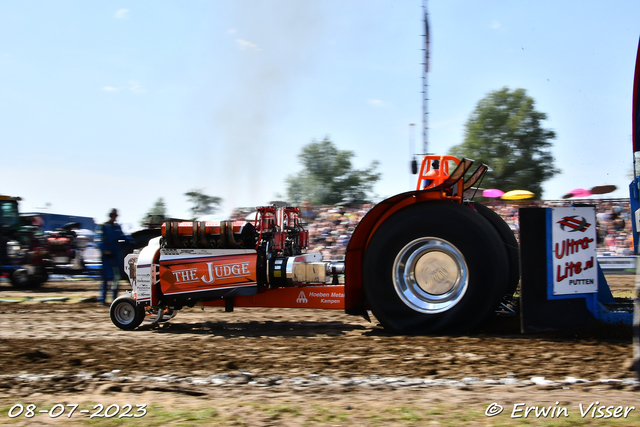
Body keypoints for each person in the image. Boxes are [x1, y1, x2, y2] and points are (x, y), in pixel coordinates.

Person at [96, 209, 132, 306]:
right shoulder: (103, 226)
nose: (115, 217)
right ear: (111, 215)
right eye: (114, 215)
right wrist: (105, 250)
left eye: (116, 215)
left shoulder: (117, 227)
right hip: (107, 257)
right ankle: (102, 300)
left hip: (116, 255)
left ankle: (114, 299)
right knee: (106, 278)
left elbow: (123, 237)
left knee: (116, 278)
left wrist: (131, 240)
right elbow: (99, 240)